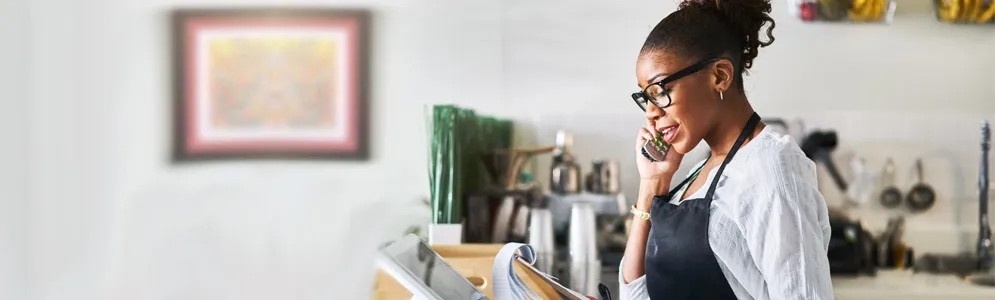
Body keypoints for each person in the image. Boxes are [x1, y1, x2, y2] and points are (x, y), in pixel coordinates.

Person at [618, 0, 834, 299]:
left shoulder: (772, 168)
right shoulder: (700, 172)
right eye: (646, 98)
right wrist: (652, 183)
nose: (651, 113)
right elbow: (636, 295)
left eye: (661, 91)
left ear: (720, 75)